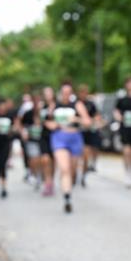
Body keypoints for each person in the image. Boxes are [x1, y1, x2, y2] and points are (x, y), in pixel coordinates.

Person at [46, 80, 92, 213]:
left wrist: (76, 119)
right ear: (60, 93)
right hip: (59, 137)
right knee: (64, 168)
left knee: (71, 170)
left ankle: (69, 186)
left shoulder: (77, 105)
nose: (66, 95)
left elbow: (88, 122)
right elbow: (47, 121)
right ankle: (67, 197)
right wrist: (53, 125)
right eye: (64, 92)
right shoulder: (55, 105)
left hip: (74, 138)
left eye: (68, 92)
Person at [77, 84, 103, 184]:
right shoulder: (76, 104)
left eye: (85, 92)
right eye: (82, 92)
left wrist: (95, 120)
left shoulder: (91, 104)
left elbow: (97, 115)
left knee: (87, 154)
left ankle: (84, 174)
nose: (84, 94)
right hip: (79, 132)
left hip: (89, 131)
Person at [39, 86, 57, 197]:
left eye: (49, 93)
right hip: (44, 135)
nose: (48, 96)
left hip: (55, 135)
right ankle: (47, 182)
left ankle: (51, 181)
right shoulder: (42, 107)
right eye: (46, 94)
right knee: (45, 159)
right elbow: (38, 120)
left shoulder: (57, 105)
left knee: (53, 160)